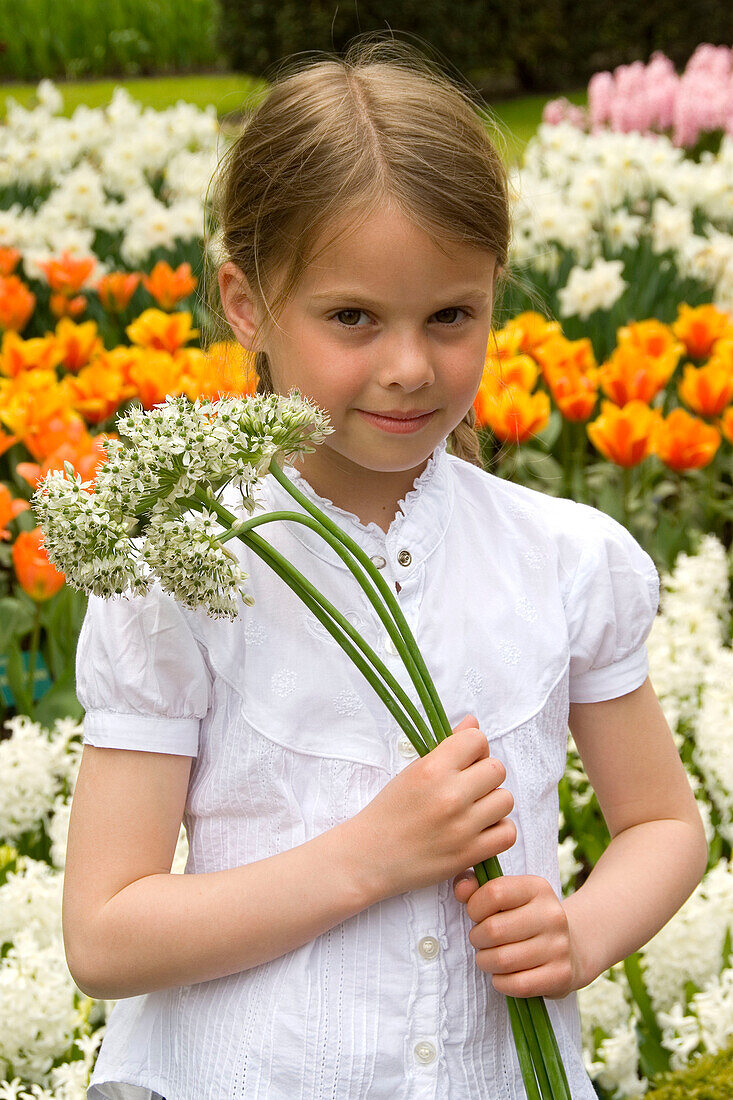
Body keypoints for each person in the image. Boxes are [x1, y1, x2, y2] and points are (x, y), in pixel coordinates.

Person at [63, 36, 708, 1100]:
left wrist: (578, 931)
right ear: (244, 301)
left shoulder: (562, 560)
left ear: (495, 290)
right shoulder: (180, 573)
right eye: (352, 317)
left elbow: (662, 824)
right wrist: (372, 853)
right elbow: (103, 929)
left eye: (451, 315)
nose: (410, 366)